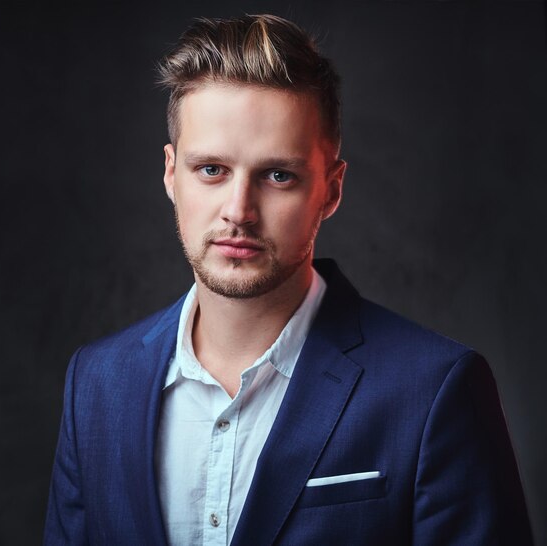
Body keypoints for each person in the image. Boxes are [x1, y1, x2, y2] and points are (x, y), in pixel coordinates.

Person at [43, 14, 533, 545]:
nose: (239, 211)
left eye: (279, 175)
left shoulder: (436, 389)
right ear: (170, 173)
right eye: (211, 169)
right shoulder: (95, 384)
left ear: (331, 189)